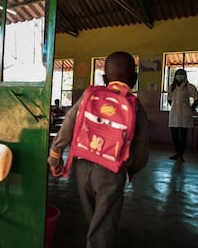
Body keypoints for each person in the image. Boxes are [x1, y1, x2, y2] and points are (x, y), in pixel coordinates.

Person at [47, 51, 149, 248]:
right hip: (111, 172)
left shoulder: (89, 95)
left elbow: (69, 123)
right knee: (103, 227)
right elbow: (141, 152)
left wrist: (55, 158)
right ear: (135, 80)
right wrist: (130, 170)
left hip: (82, 168)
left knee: (94, 219)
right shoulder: (135, 106)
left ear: (104, 78)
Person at [167, 68, 198, 163]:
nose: (180, 75)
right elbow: (169, 99)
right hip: (174, 113)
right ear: (175, 76)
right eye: (178, 74)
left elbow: (197, 98)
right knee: (174, 135)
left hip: (185, 113)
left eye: (182, 74)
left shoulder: (190, 87)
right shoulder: (171, 87)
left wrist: (192, 108)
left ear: (185, 76)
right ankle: (177, 153)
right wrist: (174, 106)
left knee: (183, 135)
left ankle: (181, 154)